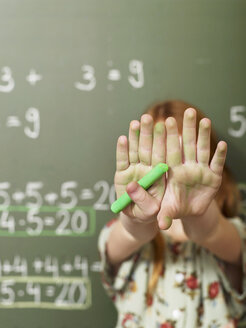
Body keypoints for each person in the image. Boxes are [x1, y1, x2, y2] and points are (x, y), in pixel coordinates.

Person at [98, 100, 246, 328]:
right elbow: (131, 233)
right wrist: (137, 215)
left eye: (183, 154)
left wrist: (195, 210)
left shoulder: (233, 235)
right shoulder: (128, 241)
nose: (173, 168)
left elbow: (212, 231)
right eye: (161, 156)